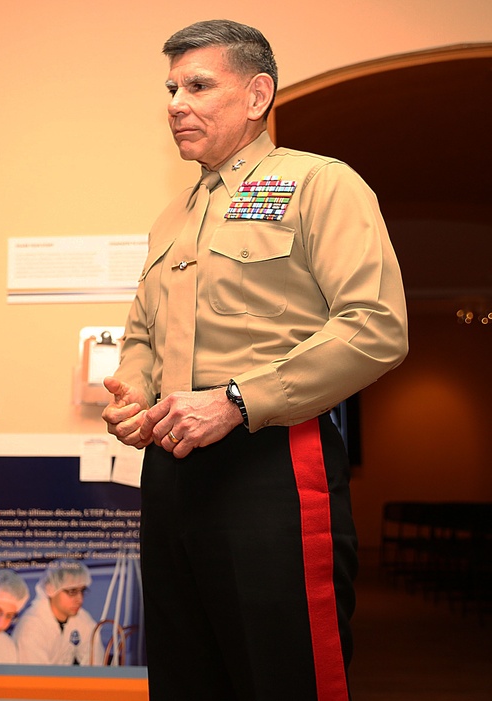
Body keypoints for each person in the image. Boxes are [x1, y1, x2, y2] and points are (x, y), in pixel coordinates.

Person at [101, 20, 409, 701]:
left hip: (270, 456)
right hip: (171, 468)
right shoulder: (171, 216)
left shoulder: (317, 184)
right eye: (172, 88)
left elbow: (377, 325)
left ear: (257, 93)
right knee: (186, 672)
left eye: (199, 85)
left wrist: (236, 399)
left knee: (284, 671)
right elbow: (143, 332)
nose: (177, 102)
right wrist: (134, 394)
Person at [13, 560, 104, 666]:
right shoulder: (31, 627)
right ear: (50, 589)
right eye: (72, 591)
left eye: (82, 591)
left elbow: (95, 661)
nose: (80, 599)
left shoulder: (81, 618)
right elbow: (35, 678)